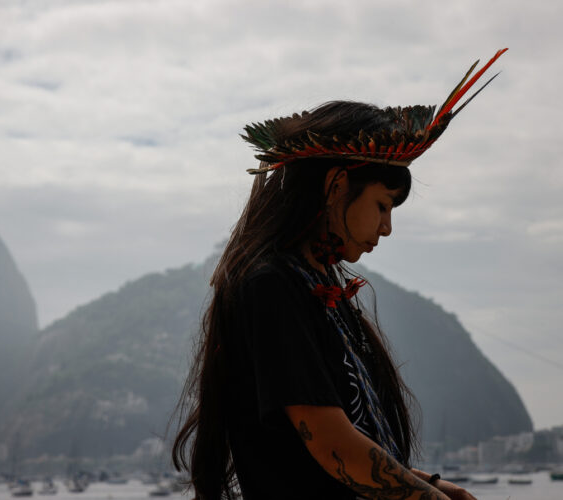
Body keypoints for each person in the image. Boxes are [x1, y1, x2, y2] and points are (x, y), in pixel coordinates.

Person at [172, 49, 507, 500]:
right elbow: (332, 445)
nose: (386, 228)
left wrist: (434, 486)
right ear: (335, 186)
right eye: (382, 206)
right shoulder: (271, 285)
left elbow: (353, 438)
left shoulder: (317, 289)